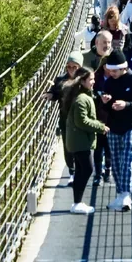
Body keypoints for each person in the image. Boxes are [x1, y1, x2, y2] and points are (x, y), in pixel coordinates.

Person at [99, 49, 132, 211]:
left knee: (127, 159)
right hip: (113, 126)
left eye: (115, 70)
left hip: (130, 126)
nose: (112, 73)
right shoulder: (109, 82)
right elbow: (106, 103)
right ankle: (120, 194)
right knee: (116, 163)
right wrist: (105, 100)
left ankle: (126, 194)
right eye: (110, 70)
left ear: (123, 68)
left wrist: (125, 105)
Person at [62, 67, 107, 214]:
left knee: (82, 170)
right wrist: (100, 127)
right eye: (91, 80)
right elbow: (82, 121)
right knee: (87, 169)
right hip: (80, 141)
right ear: (82, 81)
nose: (93, 82)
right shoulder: (82, 99)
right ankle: (77, 202)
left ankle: (77, 202)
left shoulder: (83, 95)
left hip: (78, 140)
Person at [43, 53, 85, 186]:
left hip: (81, 119)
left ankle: (80, 170)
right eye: (69, 66)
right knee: (68, 147)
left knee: (82, 147)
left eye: (74, 66)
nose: (71, 69)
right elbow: (55, 93)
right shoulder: (60, 79)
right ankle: (72, 173)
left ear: (80, 66)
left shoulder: (85, 78)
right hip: (66, 120)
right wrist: (50, 94)